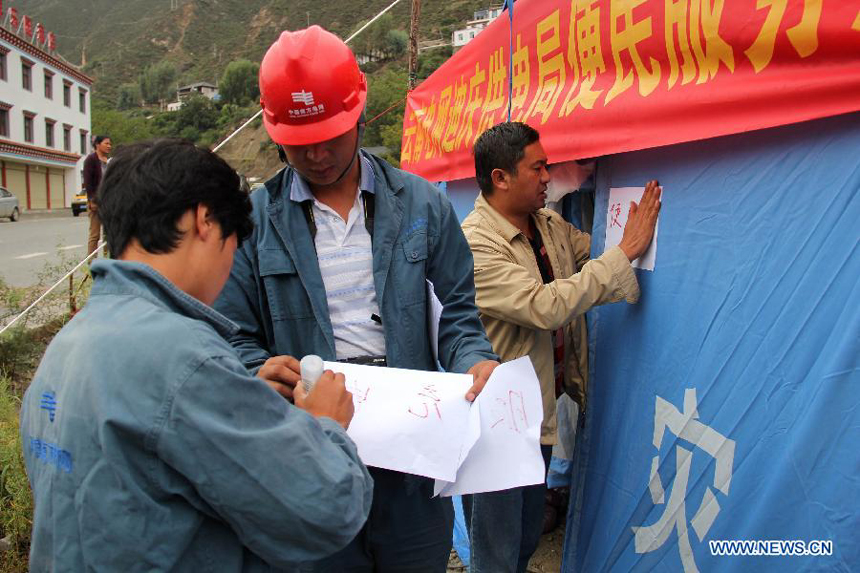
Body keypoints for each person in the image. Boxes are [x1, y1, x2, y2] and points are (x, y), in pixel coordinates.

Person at [214, 26, 499, 572]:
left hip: (413, 458)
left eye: (331, 137)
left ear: (359, 115)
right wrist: (257, 372)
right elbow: (236, 336)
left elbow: (458, 318)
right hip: (309, 459)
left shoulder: (423, 207)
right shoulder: (253, 225)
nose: (318, 155)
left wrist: (474, 362)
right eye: (300, 143)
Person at [20, 139, 374, 572]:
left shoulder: (69, 342)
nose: (230, 267)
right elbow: (327, 510)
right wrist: (325, 426)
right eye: (233, 244)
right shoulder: (187, 358)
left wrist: (238, 402)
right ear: (204, 220)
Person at [461, 122, 661, 573]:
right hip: (500, 420)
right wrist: (623, 253)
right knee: (496, 544)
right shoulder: (476, 242)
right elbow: (544, 306)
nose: (550, 176)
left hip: (540, 412)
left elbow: (593, 254)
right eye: (539, 167)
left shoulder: (547, 223)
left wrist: (626, 243)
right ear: (501, 178)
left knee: (529, 528)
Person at [82, 134, 112, 256]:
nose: (109, 146)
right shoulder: (91, 159)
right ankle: (92, 262)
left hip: (108, 202)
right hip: (96, 201)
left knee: (108, 233)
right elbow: (88, 182)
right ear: (97, 144)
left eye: (110, 144)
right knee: (95, 234)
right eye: (106, 143)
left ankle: (107, 259)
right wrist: (91, 200)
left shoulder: (109, 161)